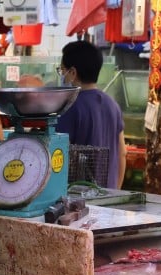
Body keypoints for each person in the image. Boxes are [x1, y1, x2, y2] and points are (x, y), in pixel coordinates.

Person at [57, 41, 126, 188]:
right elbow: (122, 153)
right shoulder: (113, 105)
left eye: (62, 70)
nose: (62, 75)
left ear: (73, 73)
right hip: (108, 196)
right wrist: (115, 192)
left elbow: (59, 155)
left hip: (79, 198)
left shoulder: (69, 107)